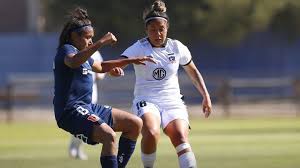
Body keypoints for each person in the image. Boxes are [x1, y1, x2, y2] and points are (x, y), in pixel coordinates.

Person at [53, 7, 155, 168]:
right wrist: (102, 42)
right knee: (109, 136)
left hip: (87, 107)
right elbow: (73, 62)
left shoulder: (83, 54)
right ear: (74, 36)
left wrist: (130, 60)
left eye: (92, 38)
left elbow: (101, 66)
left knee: (135, 123)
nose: (91, 42)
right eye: (88, 38)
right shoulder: (67, 50)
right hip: (70, 111)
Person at [119, 1, 212, 167]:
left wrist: (206, 95)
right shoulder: (139, 47)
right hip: (146, 100)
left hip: (172, 101)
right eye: (153, 30)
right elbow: (118, 64)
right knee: (152, 132)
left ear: (167, 28)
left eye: (161, 29)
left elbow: (193, 72)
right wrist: (115, 70)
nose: (157, 33)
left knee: (181, 138)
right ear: (146, 30)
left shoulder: (177, 47)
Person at [68, 50, 105, 160]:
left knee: (85, 123)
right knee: (81, 122)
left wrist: (99, 73)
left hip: (92, 93)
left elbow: (101, 72)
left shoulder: (96, 53)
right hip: (77, 94)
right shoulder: (73, 52)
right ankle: (75, 147)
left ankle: (77, 147)